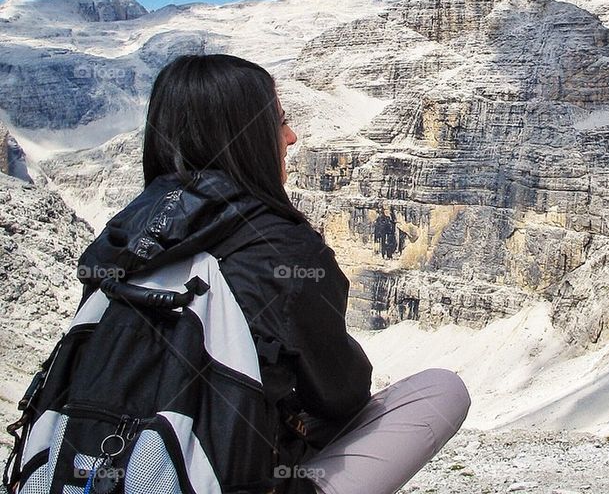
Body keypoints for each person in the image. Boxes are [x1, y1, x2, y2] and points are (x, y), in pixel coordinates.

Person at [81, 53, 470, 494]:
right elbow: (342, 395)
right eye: (279, 122)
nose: (291, 137)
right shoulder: (280, 247)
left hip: (91, 470)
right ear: (244, 139)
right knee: (442, 390)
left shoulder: (119, 239)